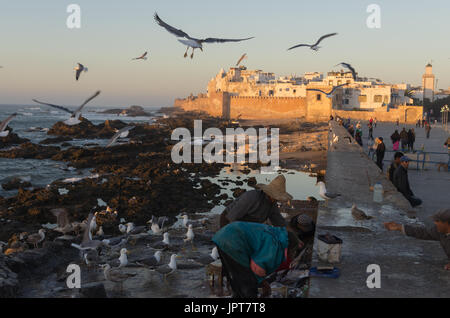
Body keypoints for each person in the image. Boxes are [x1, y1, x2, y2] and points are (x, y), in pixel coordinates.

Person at [212, 222, 303, 297]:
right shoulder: (274, 245)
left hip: (224, 235)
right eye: (292, 250)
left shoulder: (277, 234)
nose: (292, 253)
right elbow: (257, 267)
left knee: (236, 278)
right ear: (288, 247)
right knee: (248, 282)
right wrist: (263, 283)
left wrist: (262, 282)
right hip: (233, 241)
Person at [384, 208, 450, 271]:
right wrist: (399, 227)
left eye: (438, 221)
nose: (435, 223)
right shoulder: (439, 231)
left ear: (447, 223)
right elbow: (423, 233)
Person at [219, 175, 291, 228]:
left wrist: (290, 233)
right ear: (269, 193)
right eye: (275, 196)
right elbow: (232, 217)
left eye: (277, 198)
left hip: (248, 226)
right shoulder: (251, 197)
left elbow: (279, 222)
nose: (276, 200)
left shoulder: (272, 204)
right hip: (228, 220)